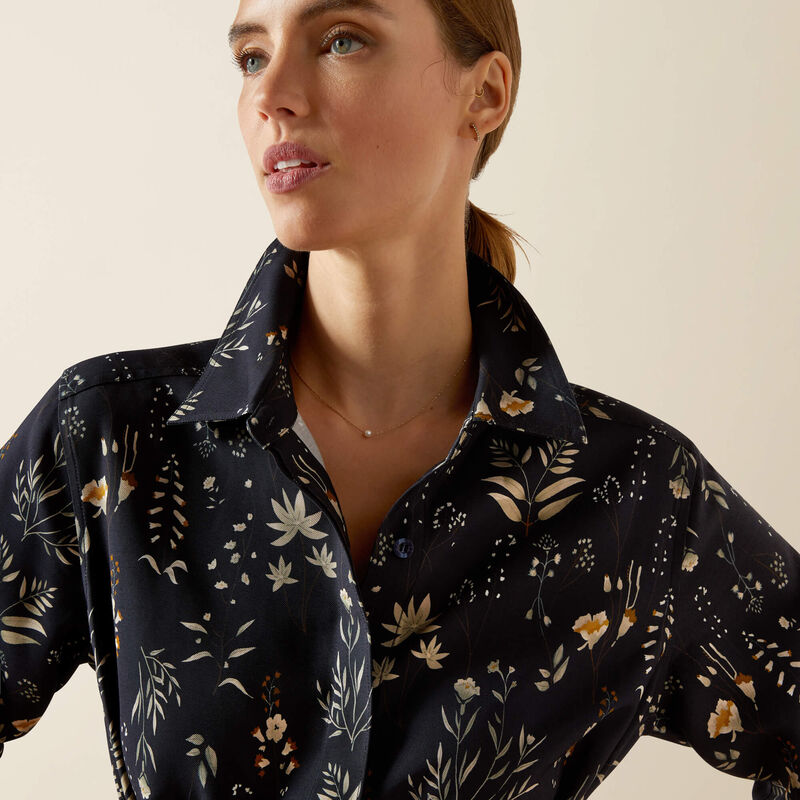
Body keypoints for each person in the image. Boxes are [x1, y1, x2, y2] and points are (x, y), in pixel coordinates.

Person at [1, 1, 798, 798]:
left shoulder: (636, 495)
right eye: (250, 56)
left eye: (341, 40)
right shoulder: (108, 439)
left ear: (484, 94)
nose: (270, 93)